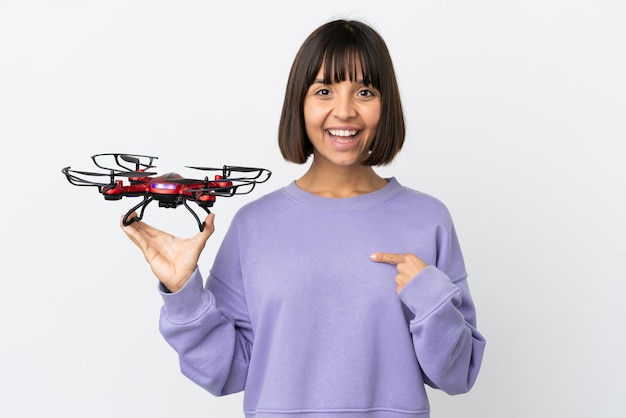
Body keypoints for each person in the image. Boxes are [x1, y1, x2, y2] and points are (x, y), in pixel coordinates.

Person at [123, 19, 485, 418]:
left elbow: (457, 375)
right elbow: (227, 370)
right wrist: (182, 293)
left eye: (364, 91)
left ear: (387, 104)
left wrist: (432, 300)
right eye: (324, 90)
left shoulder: (428, 219)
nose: (344, 111)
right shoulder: (254, 225)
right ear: (300, 101)